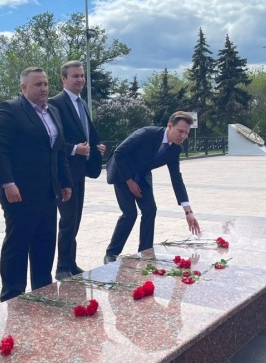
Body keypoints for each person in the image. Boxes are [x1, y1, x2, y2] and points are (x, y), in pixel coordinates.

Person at [0, 67, 73, 302]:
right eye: (38, 84)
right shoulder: (10, 109)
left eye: (45, 83)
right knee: (18, 244)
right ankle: (12, 296)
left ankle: (42, 292)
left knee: (45, 242)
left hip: (48, 191)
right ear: (24, 87)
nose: (44, 88)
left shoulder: (53, 111)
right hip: (19, 192)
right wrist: (8, 183)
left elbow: (58, 150)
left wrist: (65, 181)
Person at [103, 111, 201, 263]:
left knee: (150, 210)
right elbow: (119, 152)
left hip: (142, 176)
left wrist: (188, 211)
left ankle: (146, 252)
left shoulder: (175, 149)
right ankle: (111, 253)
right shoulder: (147, 133)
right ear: (170, 126)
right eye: (180, 131)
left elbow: (176, 178)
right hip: (122, 172)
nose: (183, 136)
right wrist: (129, 182)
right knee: (130, 213)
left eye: (186, 133)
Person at [48, 61, 106, 281]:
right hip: (64, 173)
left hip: (79, 172)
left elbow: (86, 134)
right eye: (75, 76)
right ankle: (62, 267)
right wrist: (74, 149)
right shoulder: (55, 104)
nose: (80, 80)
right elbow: (52, 141)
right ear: (64, 79)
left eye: (82, 76)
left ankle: (70, 263)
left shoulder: (82, 104)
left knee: (75, 219)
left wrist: (96, 148)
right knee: (68, 219)